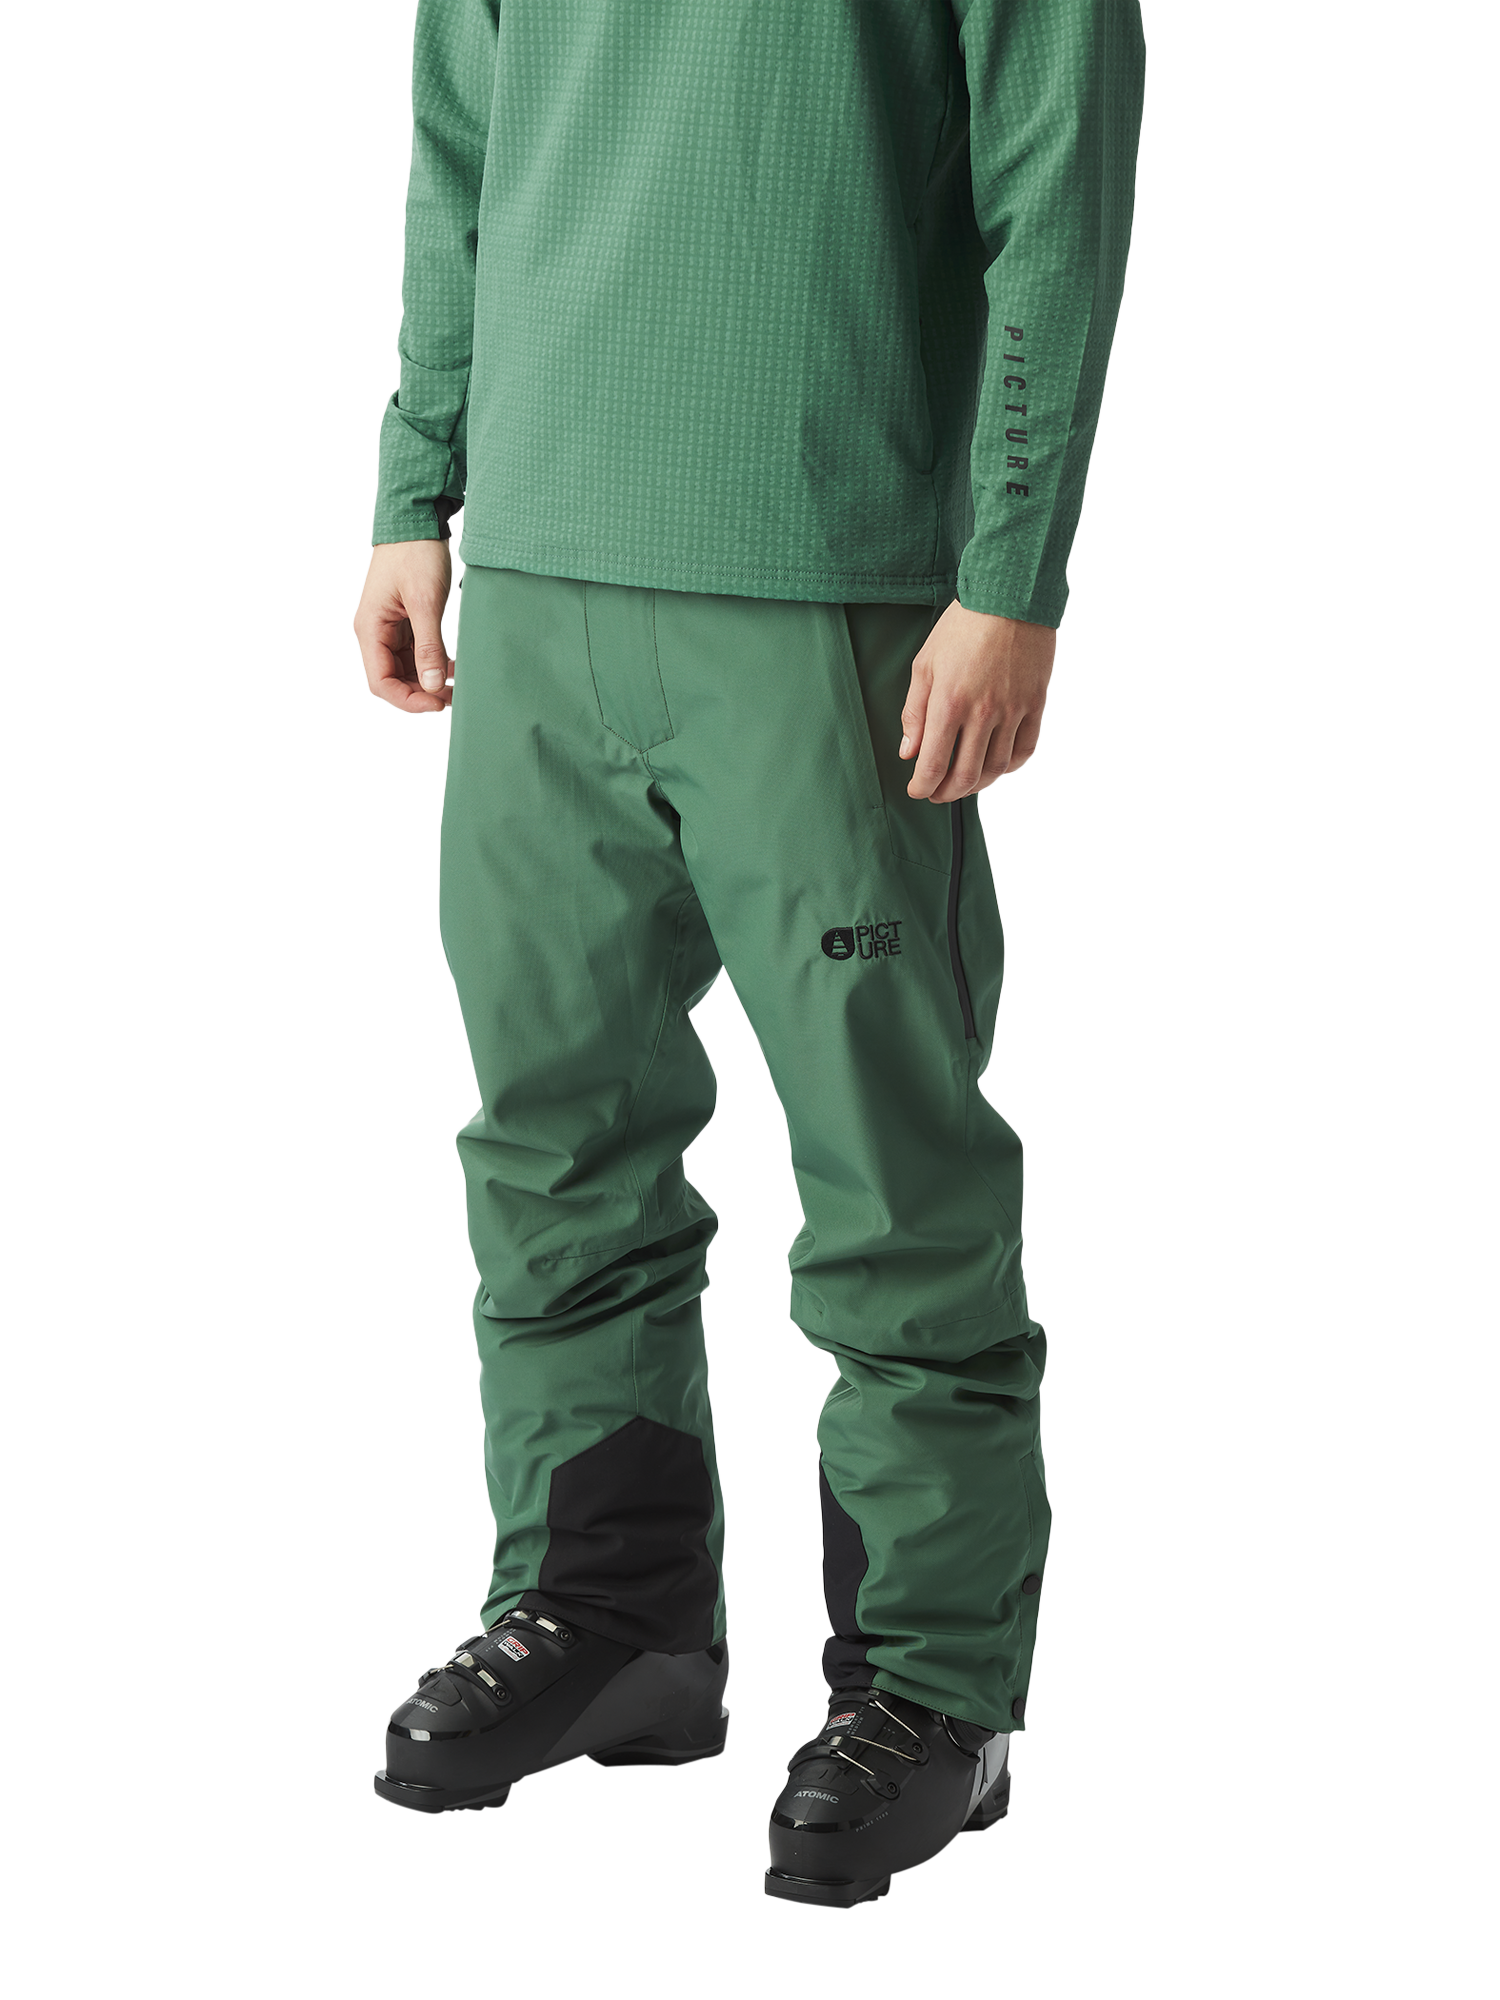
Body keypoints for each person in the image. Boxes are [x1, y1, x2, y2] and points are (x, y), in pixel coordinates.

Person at [353, 0, 1144, 1906]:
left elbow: (1060, 176)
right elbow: (462, 137)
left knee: (891, 1167)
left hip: (827, 575)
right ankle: (611, 1611)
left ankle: (933, 1683)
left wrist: (1012, 575)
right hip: (541, 571)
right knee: (553, 1139)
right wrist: (413, 485)